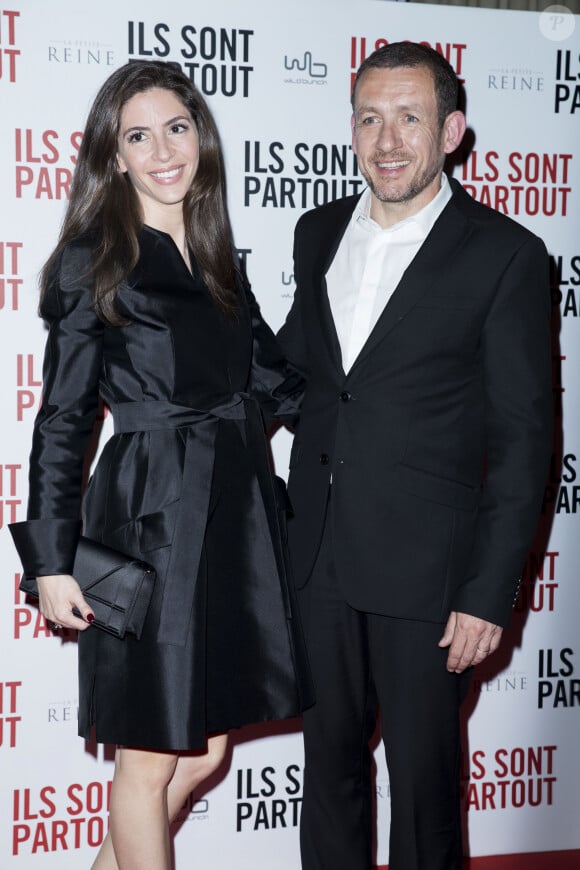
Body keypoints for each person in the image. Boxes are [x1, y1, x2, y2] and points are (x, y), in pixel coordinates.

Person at [10, 60, 312, 870]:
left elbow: (275, 378)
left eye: (177, 127)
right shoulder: (94, 258)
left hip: (229, 516)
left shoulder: (216, 256)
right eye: (137, 135)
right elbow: (64, 418)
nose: (163, 150)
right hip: (151, 517)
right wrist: (50, 561)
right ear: (114, 155)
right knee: (147, 762)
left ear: (201, 137)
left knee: (206, 751)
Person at [277, 42, 553, 870]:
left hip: (432, 579)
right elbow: (302, 371)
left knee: (424, 792)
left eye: (409, 118)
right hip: (319, 553)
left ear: (453, 130)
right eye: (369, 119)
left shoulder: (506, 255)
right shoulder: (317, 230)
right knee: (327, 774)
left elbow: (524, 440)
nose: (387, 140)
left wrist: (486, 593)